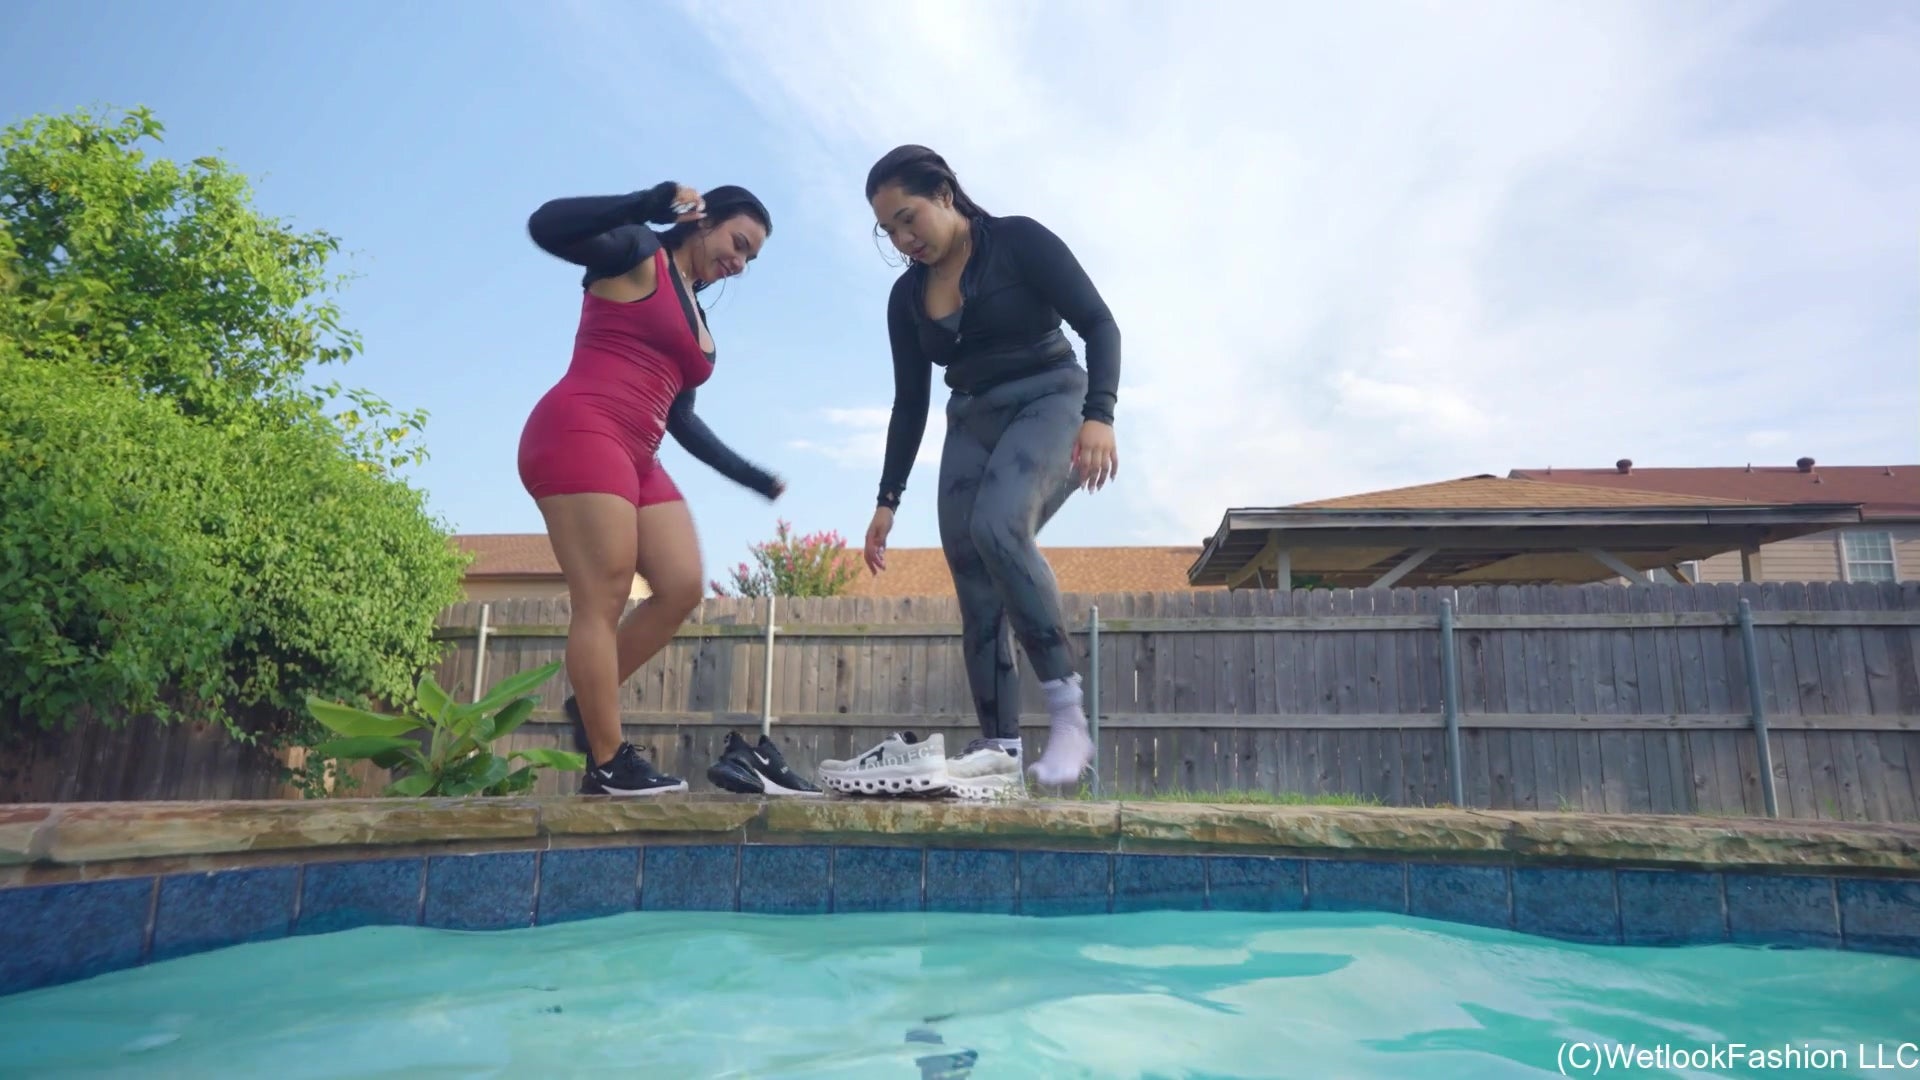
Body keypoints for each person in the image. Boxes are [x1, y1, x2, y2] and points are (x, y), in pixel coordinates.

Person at [818, 146, 1121, 799]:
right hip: (972, 421)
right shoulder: (907, 297)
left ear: (946, 194)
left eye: (909, 218)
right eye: (889, 231)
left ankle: (1069, 721)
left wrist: (1101, 415)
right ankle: (999, 746)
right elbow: (910, 402)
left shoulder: (1018, 242)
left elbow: (1099, 323)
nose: (903, 239)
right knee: (970, 570)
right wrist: (886, 500)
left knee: (999, 526)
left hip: (1052, 399)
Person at [520, 178, 817, 798]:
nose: (738, 263)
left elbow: (679, 417)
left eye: (750, 258)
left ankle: (589, 707)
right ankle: (607, 764)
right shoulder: (635, 251)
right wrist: (641, 202)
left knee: (680, 585)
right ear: (704, 221)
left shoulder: (696, 309)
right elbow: (546, 224)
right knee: (603, 594)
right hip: (582, 428)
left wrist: (751, 476)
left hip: (639, 452)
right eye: (737, 243)